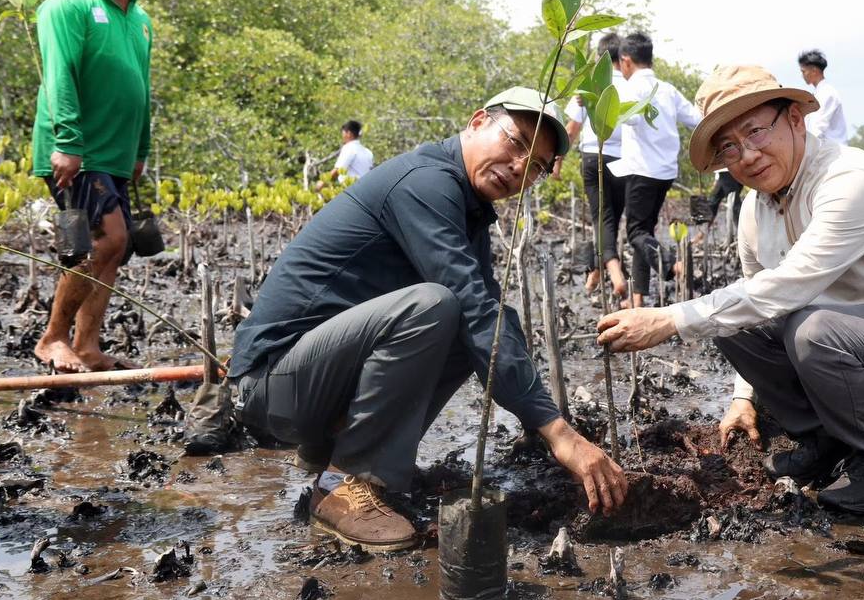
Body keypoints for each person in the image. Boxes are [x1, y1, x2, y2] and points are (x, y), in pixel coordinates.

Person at [229, 87, 628, 552]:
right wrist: (558, 433)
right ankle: (347, 486)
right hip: (273, 382)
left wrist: (542, 422)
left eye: (537, 166)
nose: (521, 167)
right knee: (437, 306)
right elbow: (468, 304)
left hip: (310, 381)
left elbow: (491, 318)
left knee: (475, 323)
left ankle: (342, 455)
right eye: (517, 142)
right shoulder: (426, 182)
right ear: (478, 121)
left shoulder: (467, 205)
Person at [596, 65, 864, 515]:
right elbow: (753, 301)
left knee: (812, 329)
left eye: (755, 131)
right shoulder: (754, 211)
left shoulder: (850, 180)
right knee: (733, 323)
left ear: (795, 117)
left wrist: (671, 318)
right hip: (838, 342)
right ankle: (824, 441)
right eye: (729, 146)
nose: (746, 155)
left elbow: (789, 286)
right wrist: (743, 398)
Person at [32, 0, 151, 373]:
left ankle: (86, 345)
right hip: (76, 151)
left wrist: (139, 150)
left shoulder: (140, 20)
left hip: (115, 155)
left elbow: (141, 86)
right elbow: (59, 75)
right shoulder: (68, 5)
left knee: (114, 248)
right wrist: (68, 141)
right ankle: (52, 338)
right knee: (103, 241)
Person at [608, 32, 702, 307]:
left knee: (635, 234)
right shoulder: (668, 89)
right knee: (644, 232)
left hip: (642, 171)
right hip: (666, 172)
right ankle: (638, 299)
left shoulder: (631, 89)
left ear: (625, 61)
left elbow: (631, 118)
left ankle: (674, 266)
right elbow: (695, 119)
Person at [562, 33, 628, 298]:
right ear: (624, 58)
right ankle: (595, 276)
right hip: (625, 161)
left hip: (593, 156)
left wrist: (556, 160)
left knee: (602, 219)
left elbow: (571, 129)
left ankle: (615, 274)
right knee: (612, 220)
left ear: (599, 58)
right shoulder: (632, 85)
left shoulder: (589, 87)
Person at [798, 50, 849, 144]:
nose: (802, 75)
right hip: (823, 149)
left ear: (814, 71)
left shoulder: (827, 93)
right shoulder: (819, 93)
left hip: (832, 152)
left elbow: (817, 128)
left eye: (803, 71)